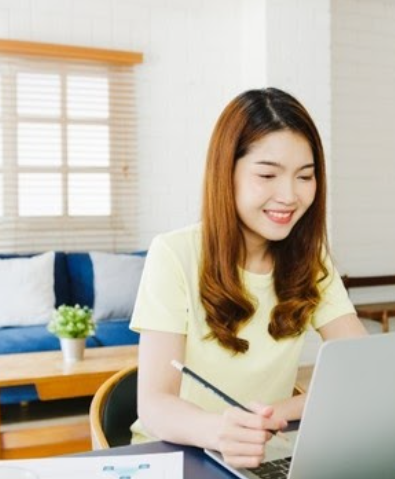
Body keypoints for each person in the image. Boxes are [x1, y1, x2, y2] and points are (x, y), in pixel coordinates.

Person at [129, 87, 367, 468]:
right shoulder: (174, 254)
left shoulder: (311, 260)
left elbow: (362, 370)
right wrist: (218, 431)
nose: (289, 195)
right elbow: (155, 404)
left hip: (263, 456)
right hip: (176, 456)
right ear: (227, 173)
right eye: (268, 174)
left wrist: (273, 415)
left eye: (305, 176)